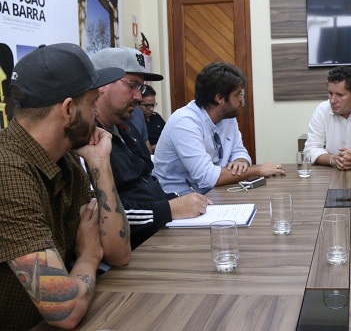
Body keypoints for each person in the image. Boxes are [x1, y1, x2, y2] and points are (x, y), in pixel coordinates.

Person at [0, 43, 131, 330]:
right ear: (69, 110)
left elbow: (119, 253)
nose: (97, 113)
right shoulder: (7, 171)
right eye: (92, 102)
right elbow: (64, 309)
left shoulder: (64, 157)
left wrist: (100, 164)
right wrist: (88, 255)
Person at [91, 47, 211, 249]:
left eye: (142, 87)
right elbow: (102, 216)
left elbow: (145, 186)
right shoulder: (87, 141)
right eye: (132, 85)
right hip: (130, 254)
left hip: (157, 236)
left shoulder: (126, 129)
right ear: (102, 84)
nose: (139, 96)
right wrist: (169, 209)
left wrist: (179, 200)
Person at [153, 62, 286, 196]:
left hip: (213, 193)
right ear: (219, 98)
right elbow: (207, 177)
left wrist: (240, 162)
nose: (241, 99)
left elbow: (239, 151)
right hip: (178, 201)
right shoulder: (185, 122)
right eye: (238, 94)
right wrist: (258, 170)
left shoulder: (228, 116)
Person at [139, 85, 166, 154]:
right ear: (137, 104)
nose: (151, 109)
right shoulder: (135, 121)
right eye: (147, 106)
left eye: (153, 105)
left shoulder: (156, 116)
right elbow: (140, 147)